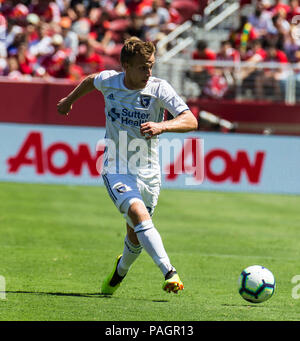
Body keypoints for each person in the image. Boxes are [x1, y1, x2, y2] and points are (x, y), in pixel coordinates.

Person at [57, 37, 198, 295]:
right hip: (116, 165)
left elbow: (190, 119)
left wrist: (162, 126)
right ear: (126, 66)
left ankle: (120, 270)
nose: (149, 72)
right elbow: (90, 81)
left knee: (136, 236)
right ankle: (170, 271)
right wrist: (69, 99)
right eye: (143, 67)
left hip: (149, 171)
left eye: (151, 66)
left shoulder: (158, 88)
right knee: (137, 214)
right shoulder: (110, 81)